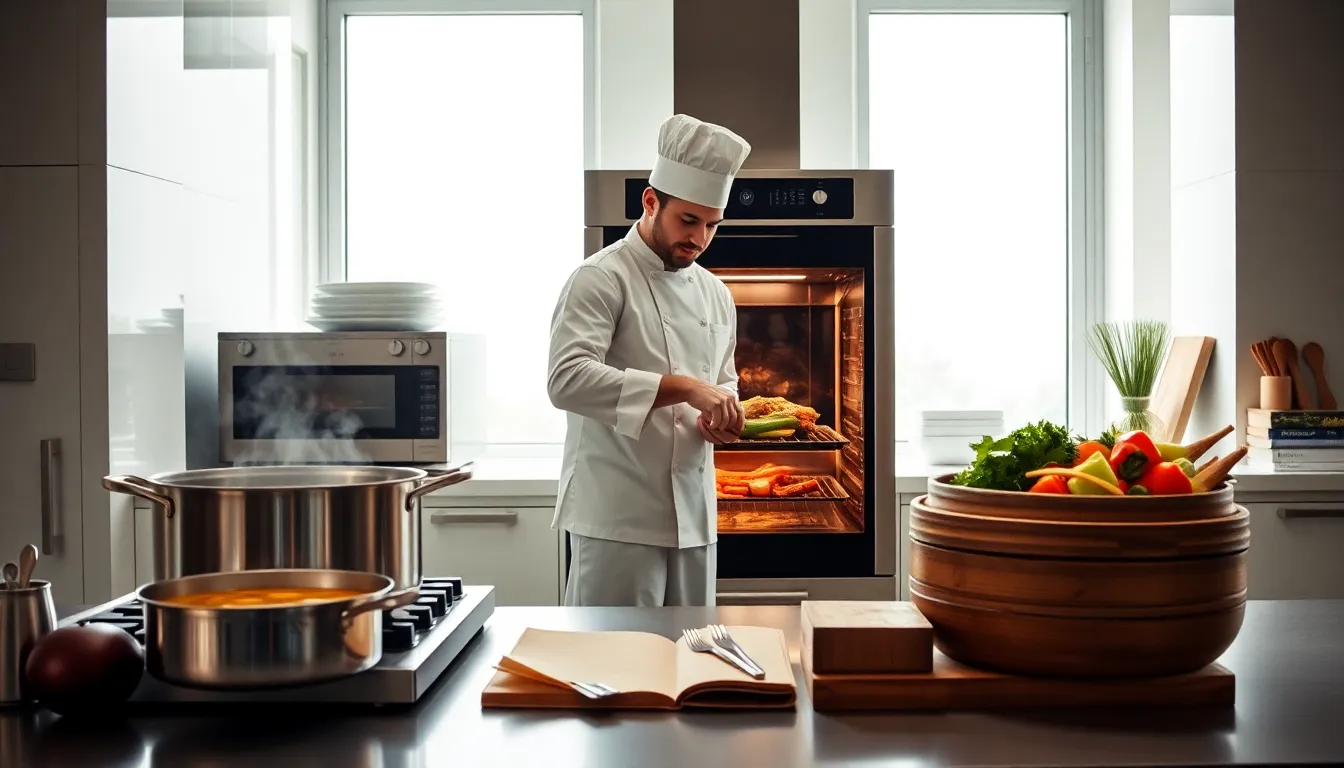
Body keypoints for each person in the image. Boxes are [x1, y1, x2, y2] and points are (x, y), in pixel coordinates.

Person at [547, 113, 752, 607]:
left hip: (695, 515)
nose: (700, 238)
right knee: (612, 666)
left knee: (691, 657)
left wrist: (721, 417)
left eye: (711, 225)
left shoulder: (715, 293)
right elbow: (566, 379)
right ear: (650, 201)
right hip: (618, 515)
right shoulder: (600, 278)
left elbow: (723, 383)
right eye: (688, 220)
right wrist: (684, 388)